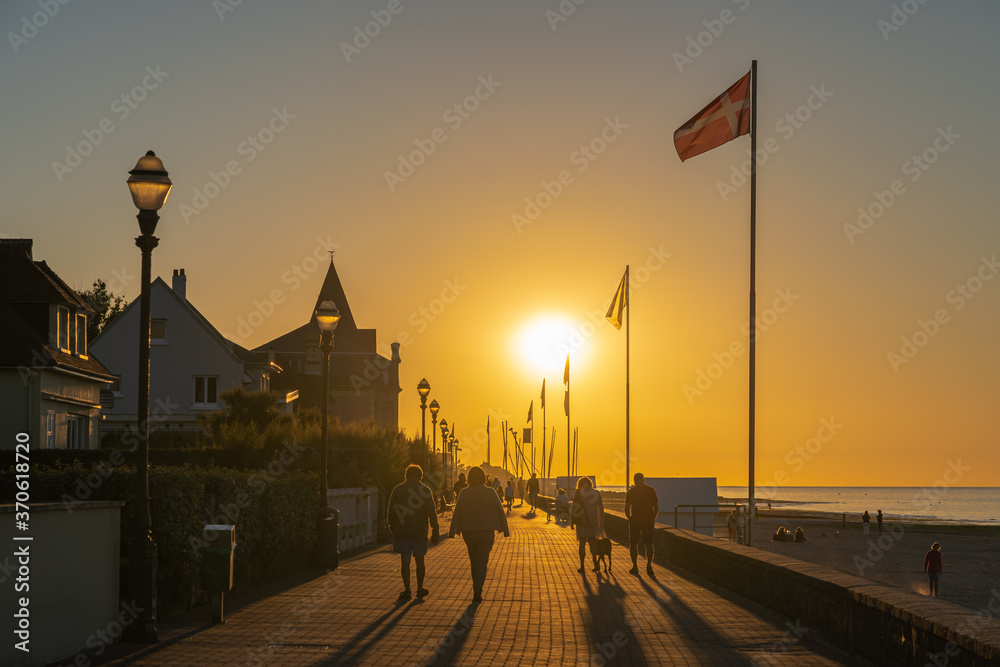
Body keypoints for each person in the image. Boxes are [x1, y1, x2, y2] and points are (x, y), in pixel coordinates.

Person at [450, 466, 510, 602]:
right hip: (486, 531)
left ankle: (476, 587)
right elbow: (500, 510)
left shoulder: (464, 492)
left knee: (474, 560)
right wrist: (505, 530)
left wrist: (453, 530)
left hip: (469, 532)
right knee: (482, 561)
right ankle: (478, 589)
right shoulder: (490, 492)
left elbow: (457, 511)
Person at [386, 464, 440, 600]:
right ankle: (420, 588)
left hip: (402, 532)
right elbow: (432, 512)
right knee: (420, 561)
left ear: (406, 475)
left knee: (405, 562)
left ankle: (407, 589)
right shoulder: (425, 490)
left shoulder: (398, 489)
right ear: (421, 476)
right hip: (419, 532)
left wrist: (392, 526)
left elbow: (391, 510)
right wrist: (435, 529)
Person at [624, 472, 658, 576]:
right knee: (649, 544)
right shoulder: (651, 491)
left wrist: (630, 518)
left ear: (634, 480)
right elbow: (656, 508)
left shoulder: (631, 492)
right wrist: (652, 519)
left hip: (635, 521)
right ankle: (649, 565)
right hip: (648, 521)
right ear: (643, 479)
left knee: (633, 544)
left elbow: (627, 508)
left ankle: (635, 566)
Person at [570, 477, 606, 574]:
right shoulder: (596, 493)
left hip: (582, 521)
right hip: (593, 522)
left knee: (582, 544)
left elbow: (574, 508)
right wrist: (601, 522)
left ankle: (582, 566)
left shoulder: (578, 493)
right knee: (592, 543)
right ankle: (595, 562)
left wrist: (572, 521)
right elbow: (601, 508)